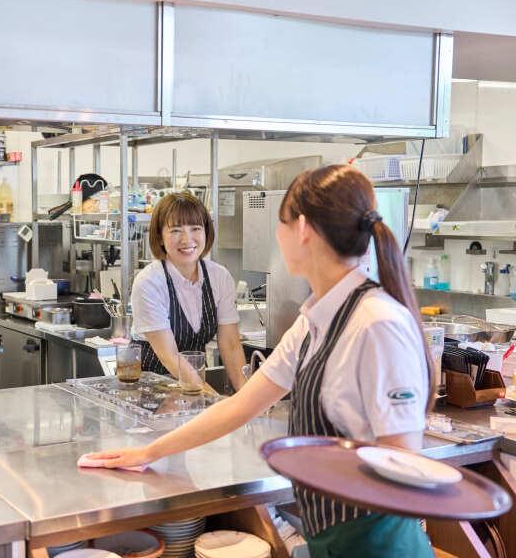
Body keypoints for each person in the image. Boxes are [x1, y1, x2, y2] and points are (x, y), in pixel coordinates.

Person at [90, 165, 434, 557]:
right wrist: (148, 453)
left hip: (376, 545)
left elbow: (402, 464)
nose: (276, 234)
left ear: (302, 230)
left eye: (280, 224)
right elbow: (241, 404)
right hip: (331, 537)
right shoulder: (313, 322)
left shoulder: (377, 324)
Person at [130, 192, 246, 390]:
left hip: (195, 385)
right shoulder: (149, 282)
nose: (187, 239)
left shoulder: (219, 277)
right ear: (159, 236)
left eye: (195, 228)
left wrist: (248, 401)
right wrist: (214, 400)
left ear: (206, 232)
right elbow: (170, 356)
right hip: (150, 391)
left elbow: (231, 345)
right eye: (175, 230)